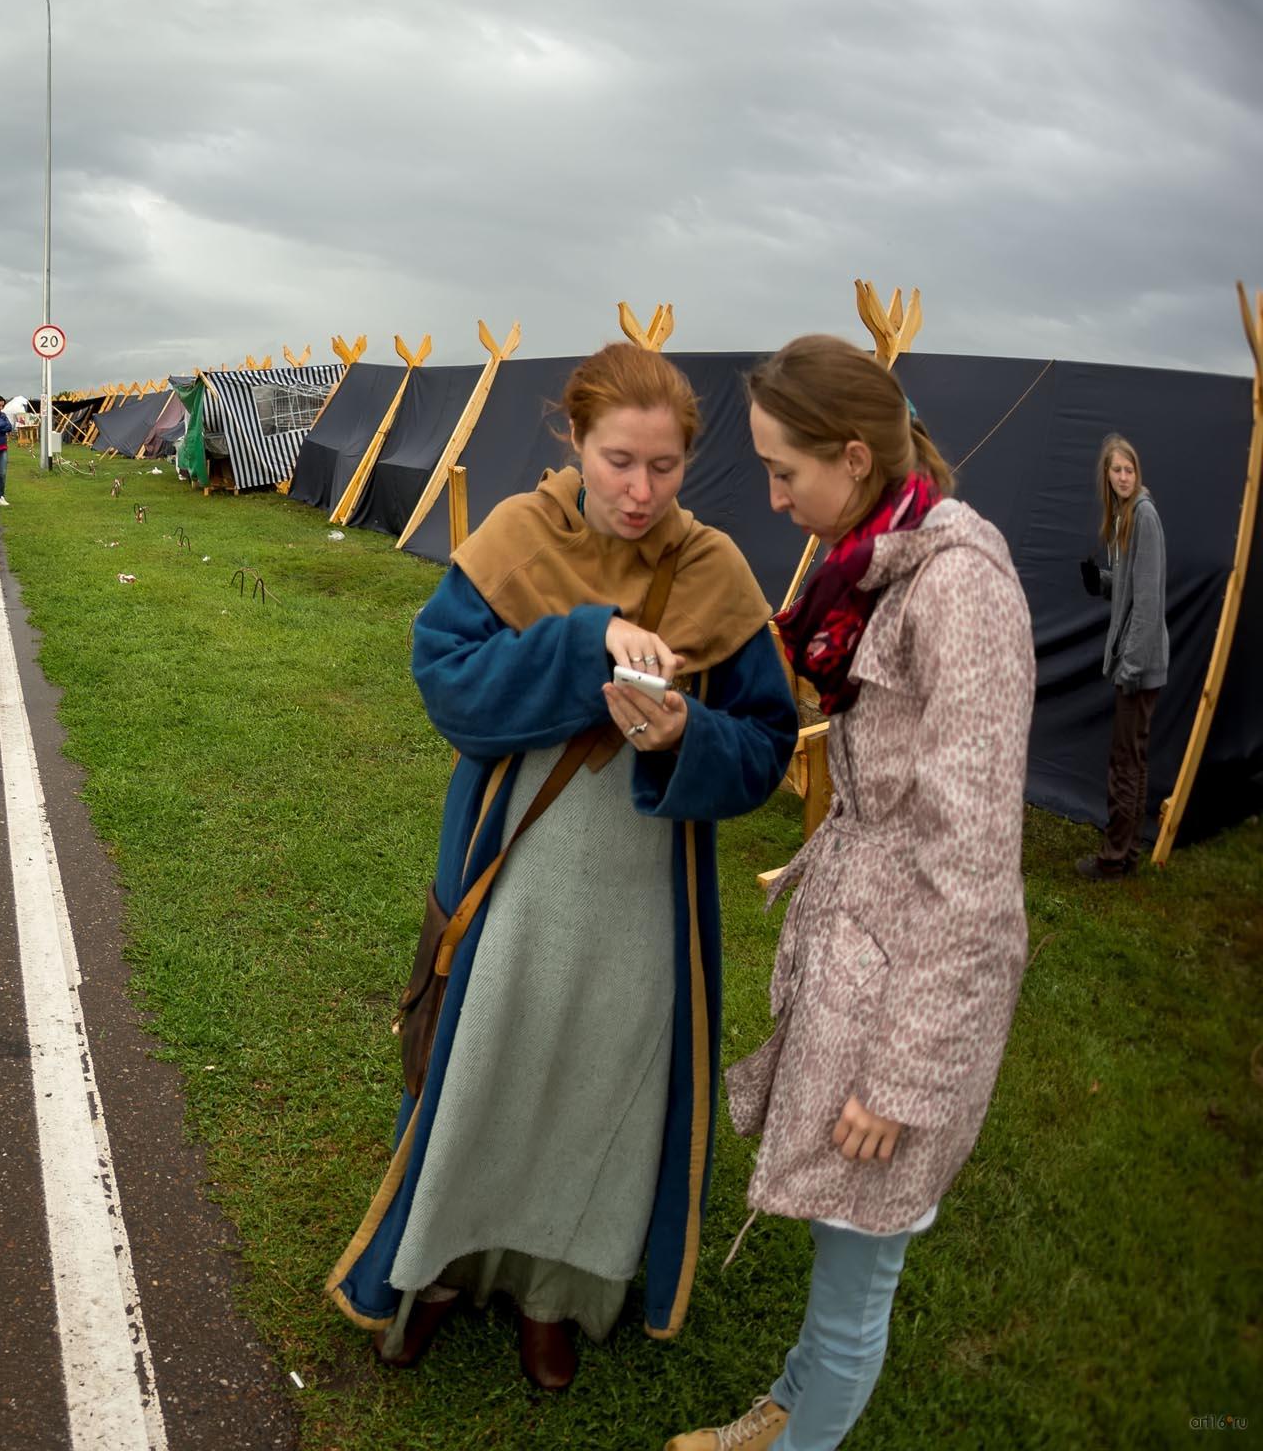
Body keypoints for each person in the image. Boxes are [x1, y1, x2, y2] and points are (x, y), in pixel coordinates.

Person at [328, 344, 797, 1389]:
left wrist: (684, 735)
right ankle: (435, 1273)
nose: (640, 490)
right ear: (574, 443)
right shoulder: (514, 539)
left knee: (597, 1097)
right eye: (619, 459)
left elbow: (768, 743)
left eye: (665, 466)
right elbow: (447, 685)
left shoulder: (718, 573)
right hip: (515, 886)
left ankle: (556, 1293)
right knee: (483, 1076)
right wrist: (590, 644)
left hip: (641, 904)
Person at [669, 335, 1033, 1451]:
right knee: (837, 1242)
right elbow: (894, 783)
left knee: (856, 1284)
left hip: (907, 1004)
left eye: (787, 472)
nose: (775, 499)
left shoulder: (960, 592)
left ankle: (802, 1432)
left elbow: (972, 870)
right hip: (867, 955)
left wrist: (903, 1074)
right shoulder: (876, 565)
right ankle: (785, 1410)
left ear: (856, 454)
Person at [1077, 434, 1167, 879]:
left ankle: (1114, 859)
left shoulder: (1144, 516)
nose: (1123, 476)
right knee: (1133, 758)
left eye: (1129, 469)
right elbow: (1132, 587)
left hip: (1140, 662)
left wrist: (1130, 667)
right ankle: (1127, 851)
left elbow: (1149, 603)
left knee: (1124, 763)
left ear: (1137, 472)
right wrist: (1104, 582)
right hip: (1139, 659)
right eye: (1116, 470)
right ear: (1107, 477)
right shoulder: (1125, 518)